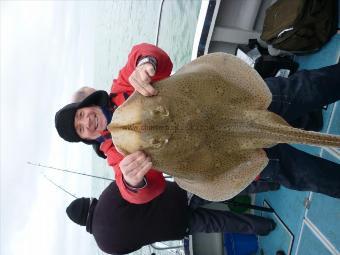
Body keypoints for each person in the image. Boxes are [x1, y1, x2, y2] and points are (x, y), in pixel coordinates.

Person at [55, 43, 340, 203]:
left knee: (310, 88)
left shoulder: (124, 84)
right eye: (80, 129)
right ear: (86, 139)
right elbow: (144, 192)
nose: (86, 122)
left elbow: (148, 54)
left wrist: (146, 65)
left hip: (244, 100)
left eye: (80, 115)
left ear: (88, 103)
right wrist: (133, 181)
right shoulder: (118, 159)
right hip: (243, 158)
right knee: (311, 175)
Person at [66, 180, 276, 254]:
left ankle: (264, 226)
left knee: (222, 223)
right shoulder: (108, 196)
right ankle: (271, 183)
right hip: (178, 197)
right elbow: (143, 183)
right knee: (224, 189)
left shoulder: (105, 245)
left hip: (176, 228)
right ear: (88, 202)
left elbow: (136, 244)